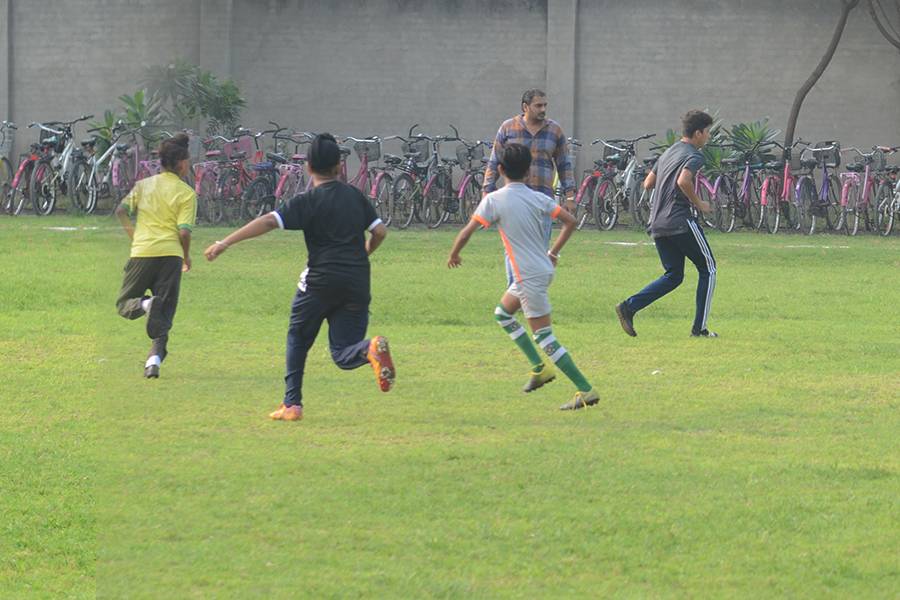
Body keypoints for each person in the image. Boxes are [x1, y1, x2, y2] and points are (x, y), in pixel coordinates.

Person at [204, 133, 394, 422]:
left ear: (308, 167)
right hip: (356, 282)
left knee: (298, 336)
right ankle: (369, 348)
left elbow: (269, 221)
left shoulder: (308, 201)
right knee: (343, 352)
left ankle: (292, 404)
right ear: (339, 166)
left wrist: (225, 242)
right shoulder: (355, 196)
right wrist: (364, 253)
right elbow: (379, 231)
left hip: (320, 282)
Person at [448, 143, 598, 411]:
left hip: (528, 277)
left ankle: (585, 389)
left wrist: (454, 254)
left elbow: (467, 231)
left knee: (545, 338)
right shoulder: (538, 198)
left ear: (500, 169)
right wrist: (553, 252)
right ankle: (539, 368)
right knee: (503, 315)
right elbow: (571, 222)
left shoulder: (494, 200)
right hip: (540, 270)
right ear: (528, 171)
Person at [615, 110, 718, 338]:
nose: (708, 136)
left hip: (657, 223)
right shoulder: (694, 155)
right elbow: (683, 181)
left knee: (673, 275)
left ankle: (628, 307)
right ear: (698, 133)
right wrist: (699, 203)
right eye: (707, 132)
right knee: (708, 268)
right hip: (679, 220)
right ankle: (699, 329)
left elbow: (648, 183)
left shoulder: (668, 152)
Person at [115, 133, 196, 378]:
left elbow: (121, 210)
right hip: (171, 257)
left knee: (124, 304)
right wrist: (186, 256)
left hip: (142, 253)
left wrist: (135, 237)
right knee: (164, 313)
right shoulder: (187, 193)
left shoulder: (144, 186)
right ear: (181, 163)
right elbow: (184, 231)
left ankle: (145, 306)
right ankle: (154, 360)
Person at [483, 89, 577, 286]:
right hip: (513, 202)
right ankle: (516, 290)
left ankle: (529, 291)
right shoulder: (508, 128)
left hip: (542, 202)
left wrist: (570, 197)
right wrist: (486, 191)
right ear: (525, 107)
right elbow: (494, 161)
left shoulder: (554, 131)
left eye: (545, 105)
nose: (543, 109)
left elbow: (564, 165)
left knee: (539, 252)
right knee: (513, 250)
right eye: (538, 105)